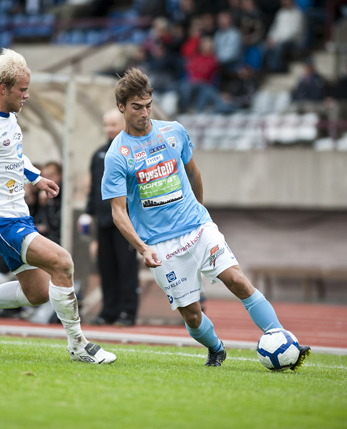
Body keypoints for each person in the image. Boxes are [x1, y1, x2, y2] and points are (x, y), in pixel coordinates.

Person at [101, 68, 311, 368]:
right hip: (160, 245)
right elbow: (118, 212)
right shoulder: (117, 155)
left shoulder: (173, 131)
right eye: (137, 107)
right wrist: (142, 248)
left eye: (148, 105)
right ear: (122, 107)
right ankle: (216, 347)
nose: (145, 113)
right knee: (193, 315)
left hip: (198, 227)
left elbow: (193, 172)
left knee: (237, 280)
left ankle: (281, 338)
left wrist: (200, 214)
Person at [0, 48, 115, 364]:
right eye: (22, 89)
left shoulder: (8, 119)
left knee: (36, 293)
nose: (27, 95)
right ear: (2, 88)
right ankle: (78, 345)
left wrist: (36, 178)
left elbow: (12, 156)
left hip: (17, 217)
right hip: (0, 222)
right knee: (63, 263)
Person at [82, 108, 139, 327]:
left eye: (113, 125)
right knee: (106, 268)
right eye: (106, 125)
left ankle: (127, 312)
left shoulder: (132, 152)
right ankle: (109, 311)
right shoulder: (98, 154)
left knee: (126, 267)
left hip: (126, 221)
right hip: (104, 221)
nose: (109, 129)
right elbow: (94, 187)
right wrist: (88, 213)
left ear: (123, 124)